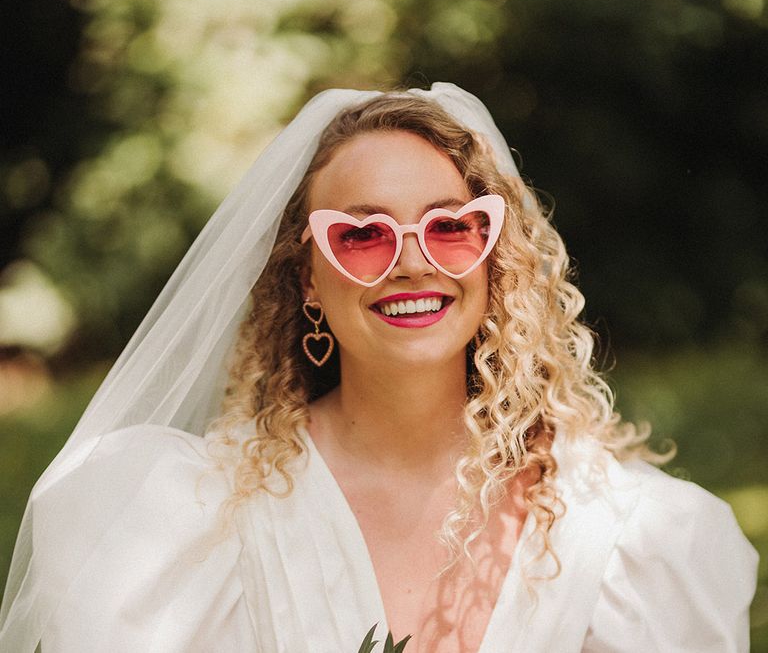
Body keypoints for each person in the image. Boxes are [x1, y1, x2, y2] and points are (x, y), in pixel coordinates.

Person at [0, 83, 758, 652]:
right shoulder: (187, 522)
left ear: (496, 260)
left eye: (451, 227)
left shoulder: (630, 538)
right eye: (361, 236)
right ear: (307, 281)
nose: (412, 262)